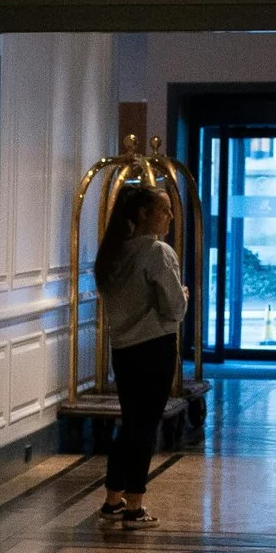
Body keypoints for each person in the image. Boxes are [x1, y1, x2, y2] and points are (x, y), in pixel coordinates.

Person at [94, 180, 186, 531]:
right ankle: (134, 505)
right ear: (144, 213)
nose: (171, 216)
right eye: (164, 209)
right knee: (145, 427)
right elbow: (174, 310)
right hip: (154, 349)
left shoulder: (114, 253)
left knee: (130, 423)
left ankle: (112, 499)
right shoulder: (157, 252)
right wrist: (185, 297)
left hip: (124, 351)